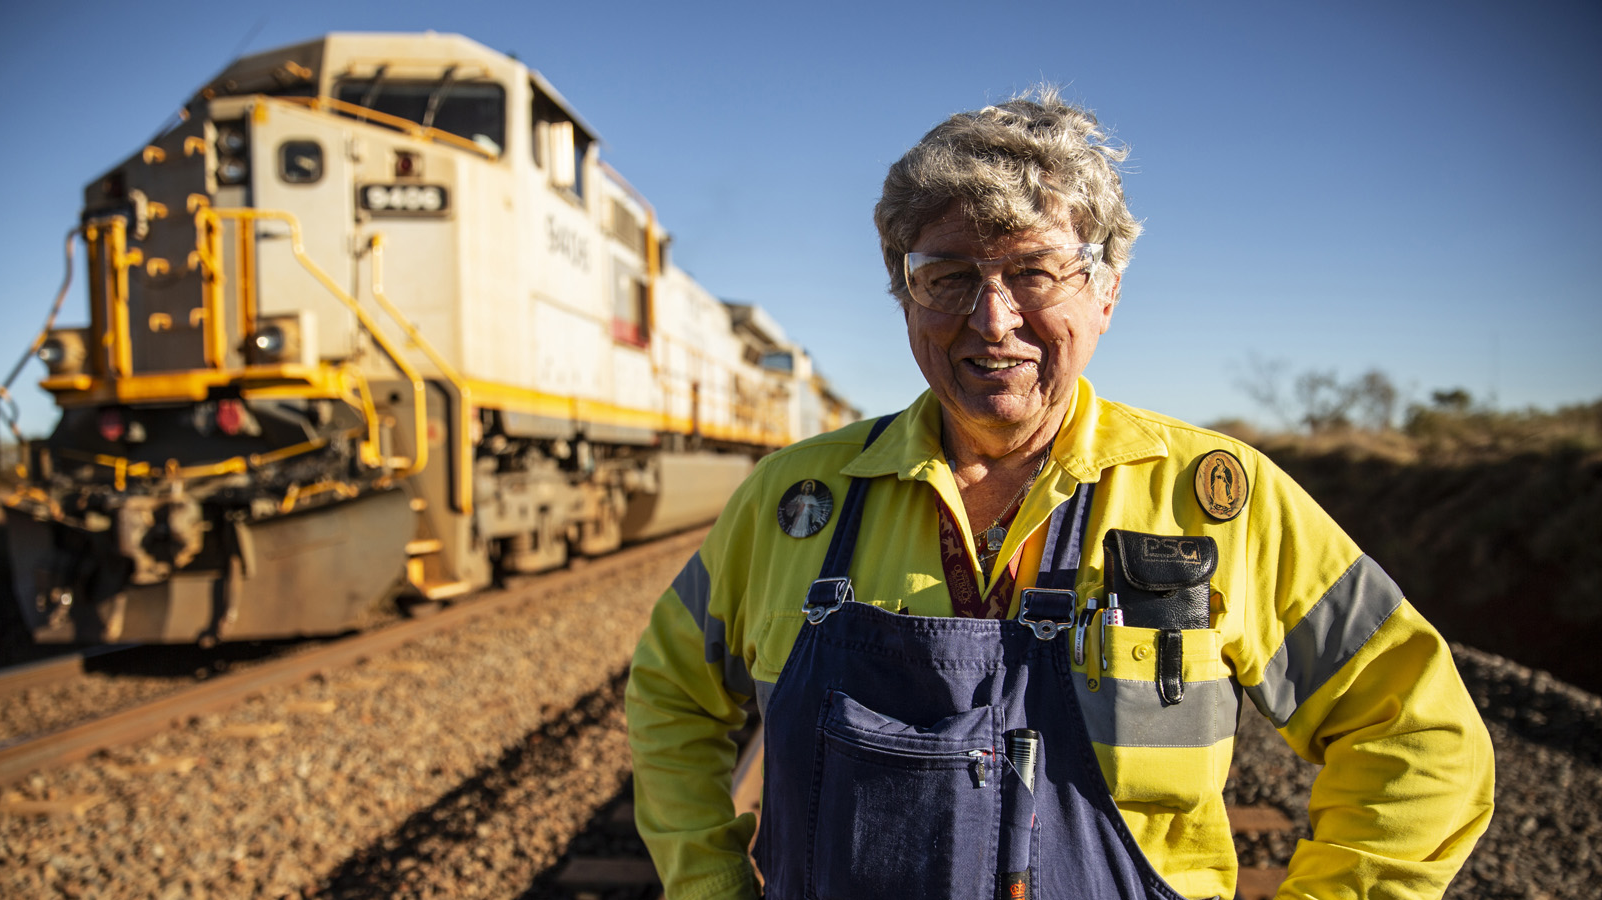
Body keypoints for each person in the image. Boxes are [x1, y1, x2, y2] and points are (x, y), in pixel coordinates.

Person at [625, 88, 1493, 900]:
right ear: (905, 296)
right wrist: (710, 883)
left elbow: (1418, 735)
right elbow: (672, 693)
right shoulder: (793, 500)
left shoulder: (1216, 501)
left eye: (1035, 272)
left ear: (1106, 290)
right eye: (949, 276)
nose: (993, 319)